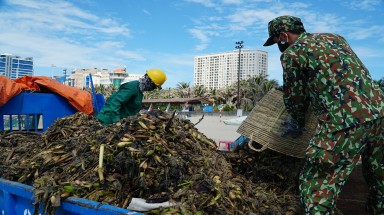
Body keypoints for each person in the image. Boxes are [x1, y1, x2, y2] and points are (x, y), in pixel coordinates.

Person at [263, 15, 384, 214]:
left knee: (316, 186)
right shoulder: (336, 38)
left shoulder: (292, 53)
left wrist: (298, 122)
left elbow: (296, 99)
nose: (278, 45)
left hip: (345, 121)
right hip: (379, 112)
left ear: (284, 35)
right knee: (379, 179)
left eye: (276, 41)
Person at [97, 69, 166, 125]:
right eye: (154, 86)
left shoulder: (140, 91)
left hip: (120, 120)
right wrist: (117, 121)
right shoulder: (133, 87)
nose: (152, 89)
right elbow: (116, 102)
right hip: (108, 120)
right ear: (149, 81)